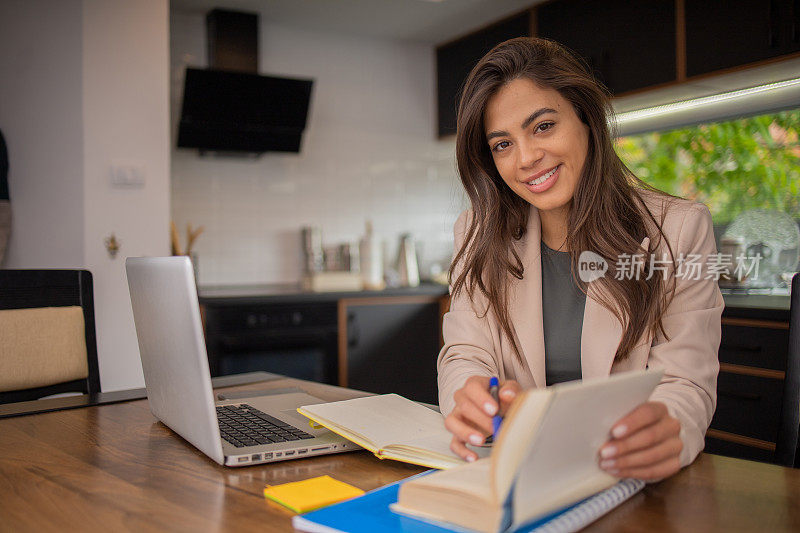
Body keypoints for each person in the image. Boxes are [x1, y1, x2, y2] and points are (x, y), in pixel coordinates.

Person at [439, 37, 723, 482]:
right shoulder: (477, 233)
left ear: (586, 120)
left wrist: (671, 429)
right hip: (518, 474)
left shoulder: (678, 230)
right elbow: (465, 353)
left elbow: (685, 384)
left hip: (625, 476)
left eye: (543, 126)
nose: (527, 158)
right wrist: (471, 395)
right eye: (502, 144)